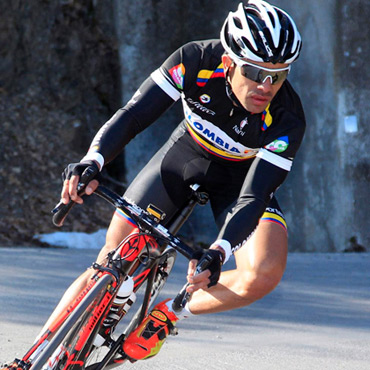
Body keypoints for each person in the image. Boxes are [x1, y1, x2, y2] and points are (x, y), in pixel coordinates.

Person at [3, 0, 305, 367]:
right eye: (255, 72)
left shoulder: (287, 118)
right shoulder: (194, 61)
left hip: (240, 182)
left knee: (264, 273)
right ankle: (31, 359)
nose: (266, 86)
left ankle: (169, 313)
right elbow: (133, 115)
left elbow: (255, 195)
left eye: (279, 75)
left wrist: (220, 251)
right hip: (184, 157)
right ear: (228, 61)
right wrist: (93, 161)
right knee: (110, 261)